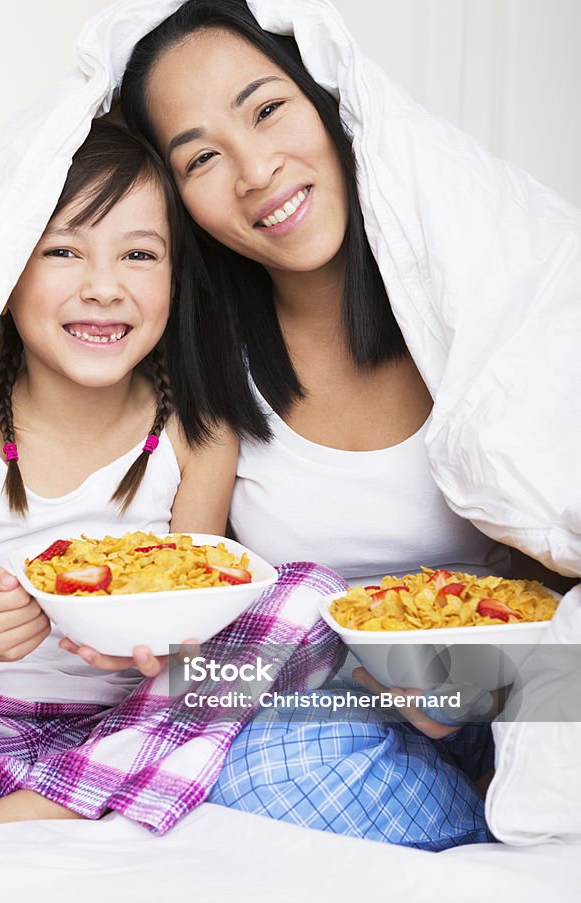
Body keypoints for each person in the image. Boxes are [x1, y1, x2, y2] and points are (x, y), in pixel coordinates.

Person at [94, 0, 512, 850]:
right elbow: (207, 633)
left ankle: (508, 797)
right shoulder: (205, 364)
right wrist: (155, 659)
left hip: (515, 689)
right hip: (319, 703)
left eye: (267, 108)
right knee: (261, 756)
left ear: (326, 100)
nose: (254, 170)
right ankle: (480, 813)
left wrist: (489, 691)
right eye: (202, 156)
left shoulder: (482, 313)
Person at [0, 119, 244, 823]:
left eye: (140, 254)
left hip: (122, 736)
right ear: (4, 271)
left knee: (298, 602)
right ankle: (10, 806)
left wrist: (159, 652)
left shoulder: (196, 436)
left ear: (176, 276)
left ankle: (25, 805)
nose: (103, 287)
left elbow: (192, 647)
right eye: (63, 250)